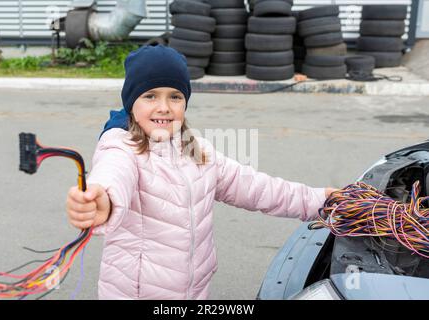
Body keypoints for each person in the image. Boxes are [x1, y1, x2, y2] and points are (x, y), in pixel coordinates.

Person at [66, 45, 337, 300]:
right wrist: (103, 200)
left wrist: (318, 200)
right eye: (150, 96)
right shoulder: (122, 147)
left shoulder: (197, 151)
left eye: (175, 96)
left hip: (193, 290)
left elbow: (255, 187)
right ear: (131, 104)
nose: (164, 107)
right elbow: (112, 175)